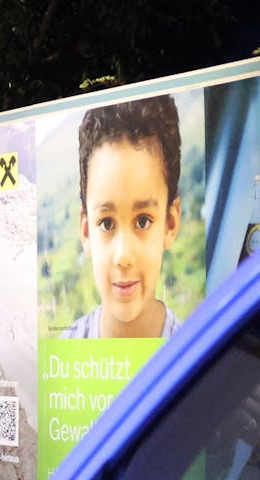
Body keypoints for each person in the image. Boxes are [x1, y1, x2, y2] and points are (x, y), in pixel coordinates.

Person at [62, 95, 184, 339]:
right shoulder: (67, 346)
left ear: (170, 224)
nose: (123, 257)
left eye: (143, 221)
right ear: (86, 231)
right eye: (106, 223)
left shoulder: (194, 354)